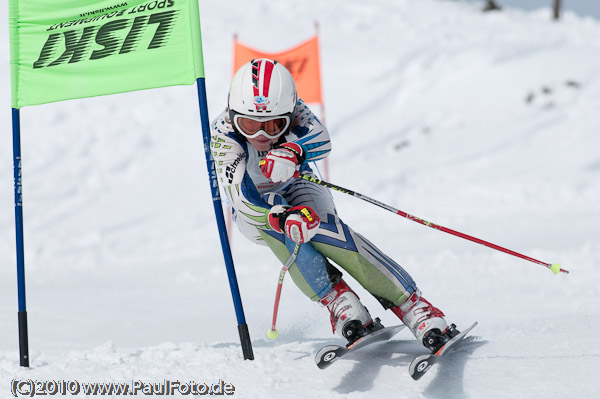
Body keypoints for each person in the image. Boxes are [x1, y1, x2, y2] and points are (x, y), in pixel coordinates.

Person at [210, 58, 458, 351]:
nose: (261, 136)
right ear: (232, 113)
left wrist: (293, 149)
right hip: (257, 207)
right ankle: (339, 301)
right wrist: (279, 216)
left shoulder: (297, 109)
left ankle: (414, 307)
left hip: (297, 183)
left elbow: (322, 140)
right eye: (249, 125)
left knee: (325, 230)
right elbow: (241, 198)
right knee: (282, 229)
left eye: (274, 125)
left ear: (288, 114)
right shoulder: (223, 135)